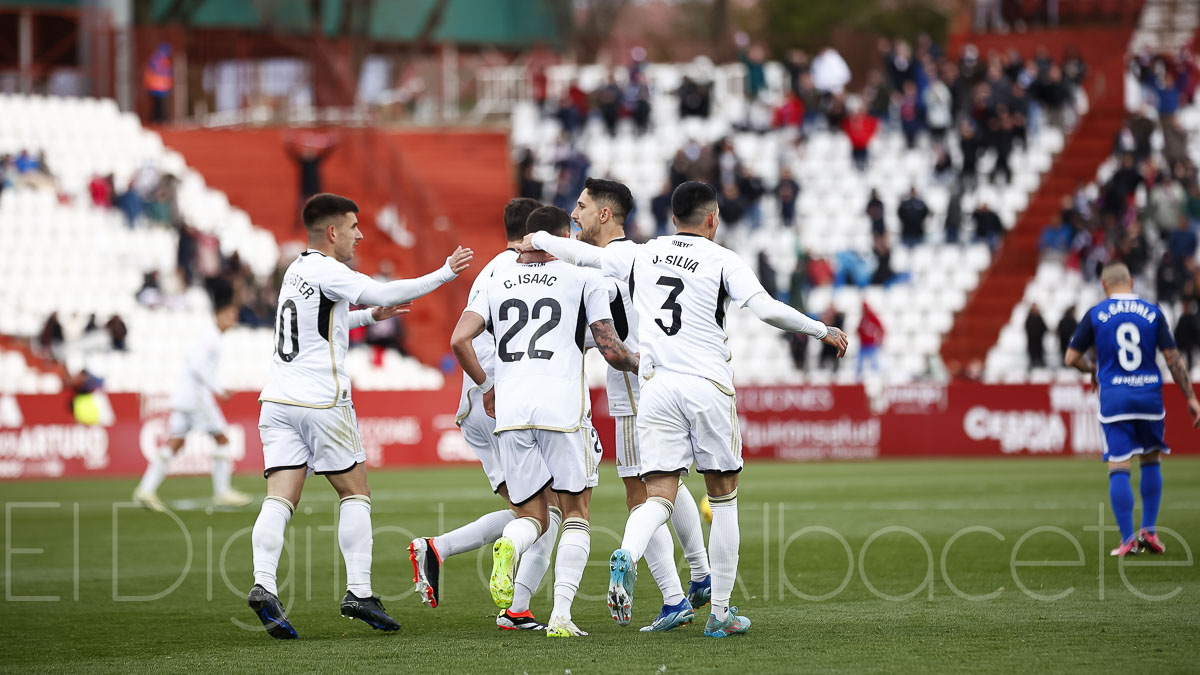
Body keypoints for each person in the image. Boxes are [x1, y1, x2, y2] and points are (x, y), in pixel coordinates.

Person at [519, 181, 847, 638]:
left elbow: (581, 256)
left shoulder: (642, 252)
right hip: (707, 385)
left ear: (672, 219)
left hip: (655, 388)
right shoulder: (723, 259)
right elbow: (767, 310)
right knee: (723, 495)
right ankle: (721, 613)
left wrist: (537, 239)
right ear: (712, 219)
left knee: (658, 494)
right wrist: (820, 329)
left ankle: (628, 556)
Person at [248, 194, 473, 639]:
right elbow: (385, 288)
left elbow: (320, 324)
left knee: (280, 498)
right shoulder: (332, 270)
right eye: (353, 226)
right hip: (321, 401)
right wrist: (445, 272)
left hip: (277, 401)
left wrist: (369, 317)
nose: (360, 234)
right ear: (332, 232)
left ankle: (264, 584)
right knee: (355, 492)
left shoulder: (296, 269)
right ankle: (359, 591)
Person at [452, 206, 638, 638]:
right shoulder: (583, 277)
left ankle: (510, 546)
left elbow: (459, 338)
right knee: (575, 512)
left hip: (512, 415)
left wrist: (486, 387)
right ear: (558, 238)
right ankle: (560, 616)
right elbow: (610, 347)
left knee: (533, 515)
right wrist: (639, 362)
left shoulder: (496, 278)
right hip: (561, 411)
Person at [561, 177, 714, 631]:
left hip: (633, 392)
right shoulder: (644, 256)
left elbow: (602, 334)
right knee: (668, 483)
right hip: (662, 382)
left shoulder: (602, 267)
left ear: (604, 214)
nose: (576, 212)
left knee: (640, 495)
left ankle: (673, 599)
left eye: (583, 206)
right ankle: (702, 577)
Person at [408, 198, 556, 631]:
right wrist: (489, 387)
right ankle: (517, 610)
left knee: (531, 512)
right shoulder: (522, 271)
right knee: (545, 516)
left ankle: (437, 549)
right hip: (499, 403)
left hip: (480, 403)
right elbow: (463, 340)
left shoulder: (492, 269)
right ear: (533, 233)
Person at [1065, 262, 1200, 557]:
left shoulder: (1097, 314)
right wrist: (1190, 397)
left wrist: (1092, 369)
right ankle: (1149, 532)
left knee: (1119, 464)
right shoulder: (1153, 312)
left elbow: (1070, 357)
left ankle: (1128, 539)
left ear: (1104, 285)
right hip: (1149, 396)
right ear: (1132, 281)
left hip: (1115, 399)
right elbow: (1173, 357)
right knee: (1151, 458)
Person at [133, 299, 251, 511]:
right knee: (222, 440)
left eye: (234, 316)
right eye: (229, 315)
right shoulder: (211, 338)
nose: (232, 320)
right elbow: (197, 365)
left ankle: (145, 489)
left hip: (183, 397)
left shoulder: (211, 337)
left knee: (175, 442)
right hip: (197, 399)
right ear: (218, 316)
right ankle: (222, 492)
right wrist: (218, 389)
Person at [1025, 303, 1048, 368]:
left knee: (1039, 353)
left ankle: (1040, 363)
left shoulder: (1040, 318)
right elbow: (1027, 328)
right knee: (1032, 354)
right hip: (1032, 341)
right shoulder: (1029, 318)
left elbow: (1045, 328)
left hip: (1039, 341)